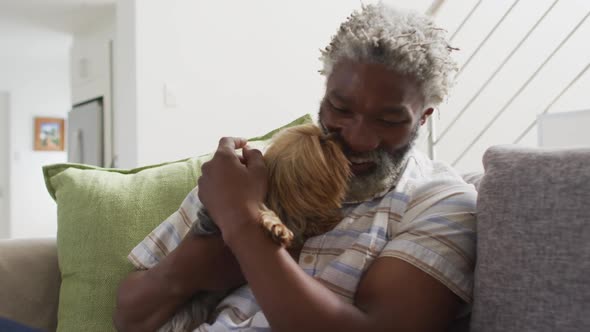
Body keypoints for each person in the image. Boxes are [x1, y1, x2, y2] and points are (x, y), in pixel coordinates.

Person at [114, 3, 477, 331]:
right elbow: (130, 317)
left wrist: (242, 223)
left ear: (423, 118)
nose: (359, 138)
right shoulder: (255, 170)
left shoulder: (440, 201)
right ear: (325, 92)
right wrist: (195, 260)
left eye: (389, 119)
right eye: (341, 109)